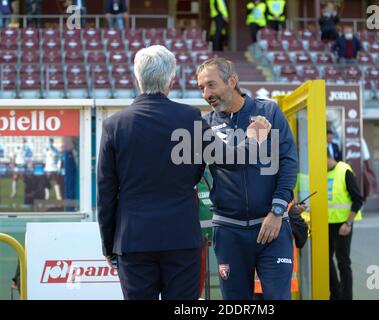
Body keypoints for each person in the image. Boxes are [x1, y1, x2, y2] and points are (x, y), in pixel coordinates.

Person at [97, 46, 271, 300]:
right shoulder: (189, 117)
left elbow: (105, 192)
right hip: (181, 238)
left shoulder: (114, 125)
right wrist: (254, 139)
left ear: (137, 79)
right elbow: (231, 160)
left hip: (132, 240)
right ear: (171, 80)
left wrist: (109, 245)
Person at [197, 58, 299, 300]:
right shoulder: (205, 126)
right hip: (229, 232)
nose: (206, 94)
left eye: (211, 85)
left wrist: (277, 210)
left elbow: (288, 162)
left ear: (232, 81)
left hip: (272, 227)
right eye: (201, 88)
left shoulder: (269, 112)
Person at [327, 149, 363, 300]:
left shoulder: (344, 170)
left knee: (343, 262)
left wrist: (348, 223)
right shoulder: (321, 173)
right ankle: (335, 294)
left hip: (343, 224)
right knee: (325, 261)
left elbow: (358, 199)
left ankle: (346, 297)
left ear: (327, 157)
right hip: (326, 224)